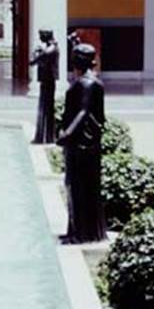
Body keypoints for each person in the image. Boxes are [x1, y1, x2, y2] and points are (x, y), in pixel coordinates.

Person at [56, 42, 107, 244]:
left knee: (80, 185)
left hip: (82, 143)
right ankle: (76, 229)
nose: (72, 59)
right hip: (81, 142)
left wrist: (66, 134)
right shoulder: (86, 81)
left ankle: (82, 233)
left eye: (75, 56)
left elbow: (83, 112)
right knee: (76, 184)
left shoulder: (87, 83)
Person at [29, 28, 59, 144]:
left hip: (48, 82)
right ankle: (43, 137)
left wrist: (36, 52)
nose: (40, 37)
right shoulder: (49, 47)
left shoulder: (51, 48)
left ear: (47, 35)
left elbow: (33, 61)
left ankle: (46, 137)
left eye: (41, 35)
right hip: (46, 81)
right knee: (44, 108)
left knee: (46, 109)